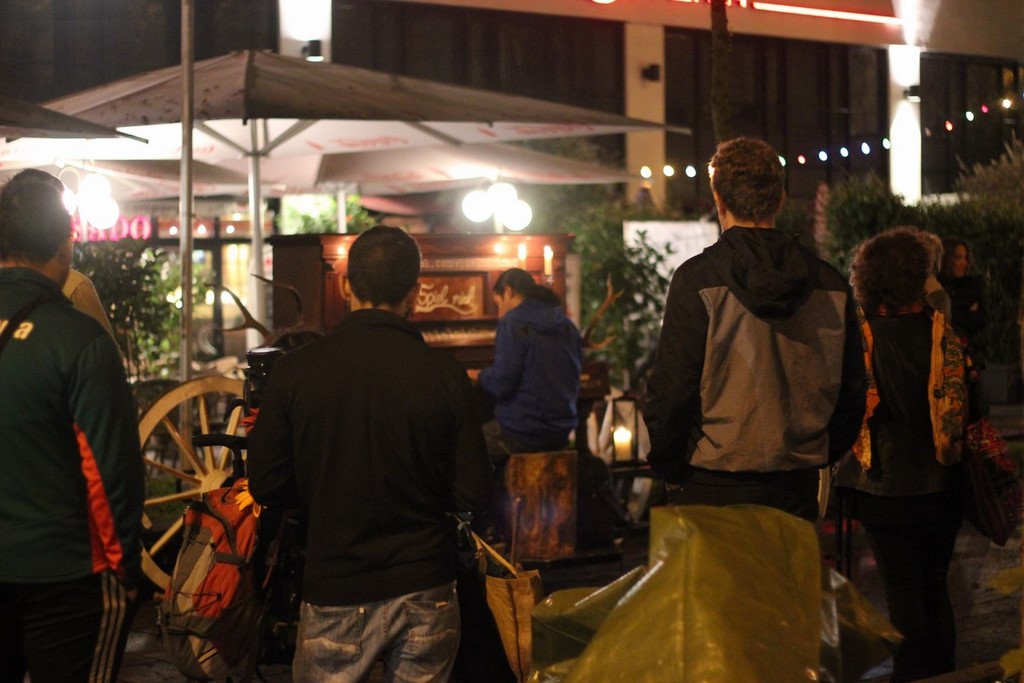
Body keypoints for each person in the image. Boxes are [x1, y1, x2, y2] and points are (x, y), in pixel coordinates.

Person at [246, 225, 493, 682]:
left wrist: (320, 493)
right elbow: (472, 490)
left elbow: (265, 483)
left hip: (335, 583)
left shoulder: (296, 372)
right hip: (426, 584)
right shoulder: (445, 375)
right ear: (415, 293)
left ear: (346, 286)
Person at [643, 137, 867, 523]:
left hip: (710, 483)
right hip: (796, 484)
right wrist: (820, 452)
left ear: (719, 201)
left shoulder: (697, 280)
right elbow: (851, 392)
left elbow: (672, 390)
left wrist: (670, 468)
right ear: (780, 199)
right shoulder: (830, 284)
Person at [0, 170, 143, 683]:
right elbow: (109, 470)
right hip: (65, 571)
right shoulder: (80, 340)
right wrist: (125, 570)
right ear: (66, 243)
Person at [835, 227, 966, 681]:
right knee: (936, 583)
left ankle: (912, 673)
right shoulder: (941, 330)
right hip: (944, 481)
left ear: (868, 277)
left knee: (903, 588)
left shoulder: (862, 336)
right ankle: (944, 672)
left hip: (883, 487)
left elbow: (846, 408)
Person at [471, 267, 583, 458]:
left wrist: (480, 375)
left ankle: (503, 478)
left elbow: (502, 384)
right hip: (561, 432)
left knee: (465, 447)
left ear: (508, 291)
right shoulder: (567, 325)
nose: (499, 315)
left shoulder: (512, 322)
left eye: (498, 305)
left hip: (522, 432)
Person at [939, 237, 988, 414]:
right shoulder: (940, 287)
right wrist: (966, 312)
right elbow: (951, 320)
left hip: (970, 354)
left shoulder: (972, 286)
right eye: (958, 258)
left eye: (965, 258)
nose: (963, 263)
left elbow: (980, 321)